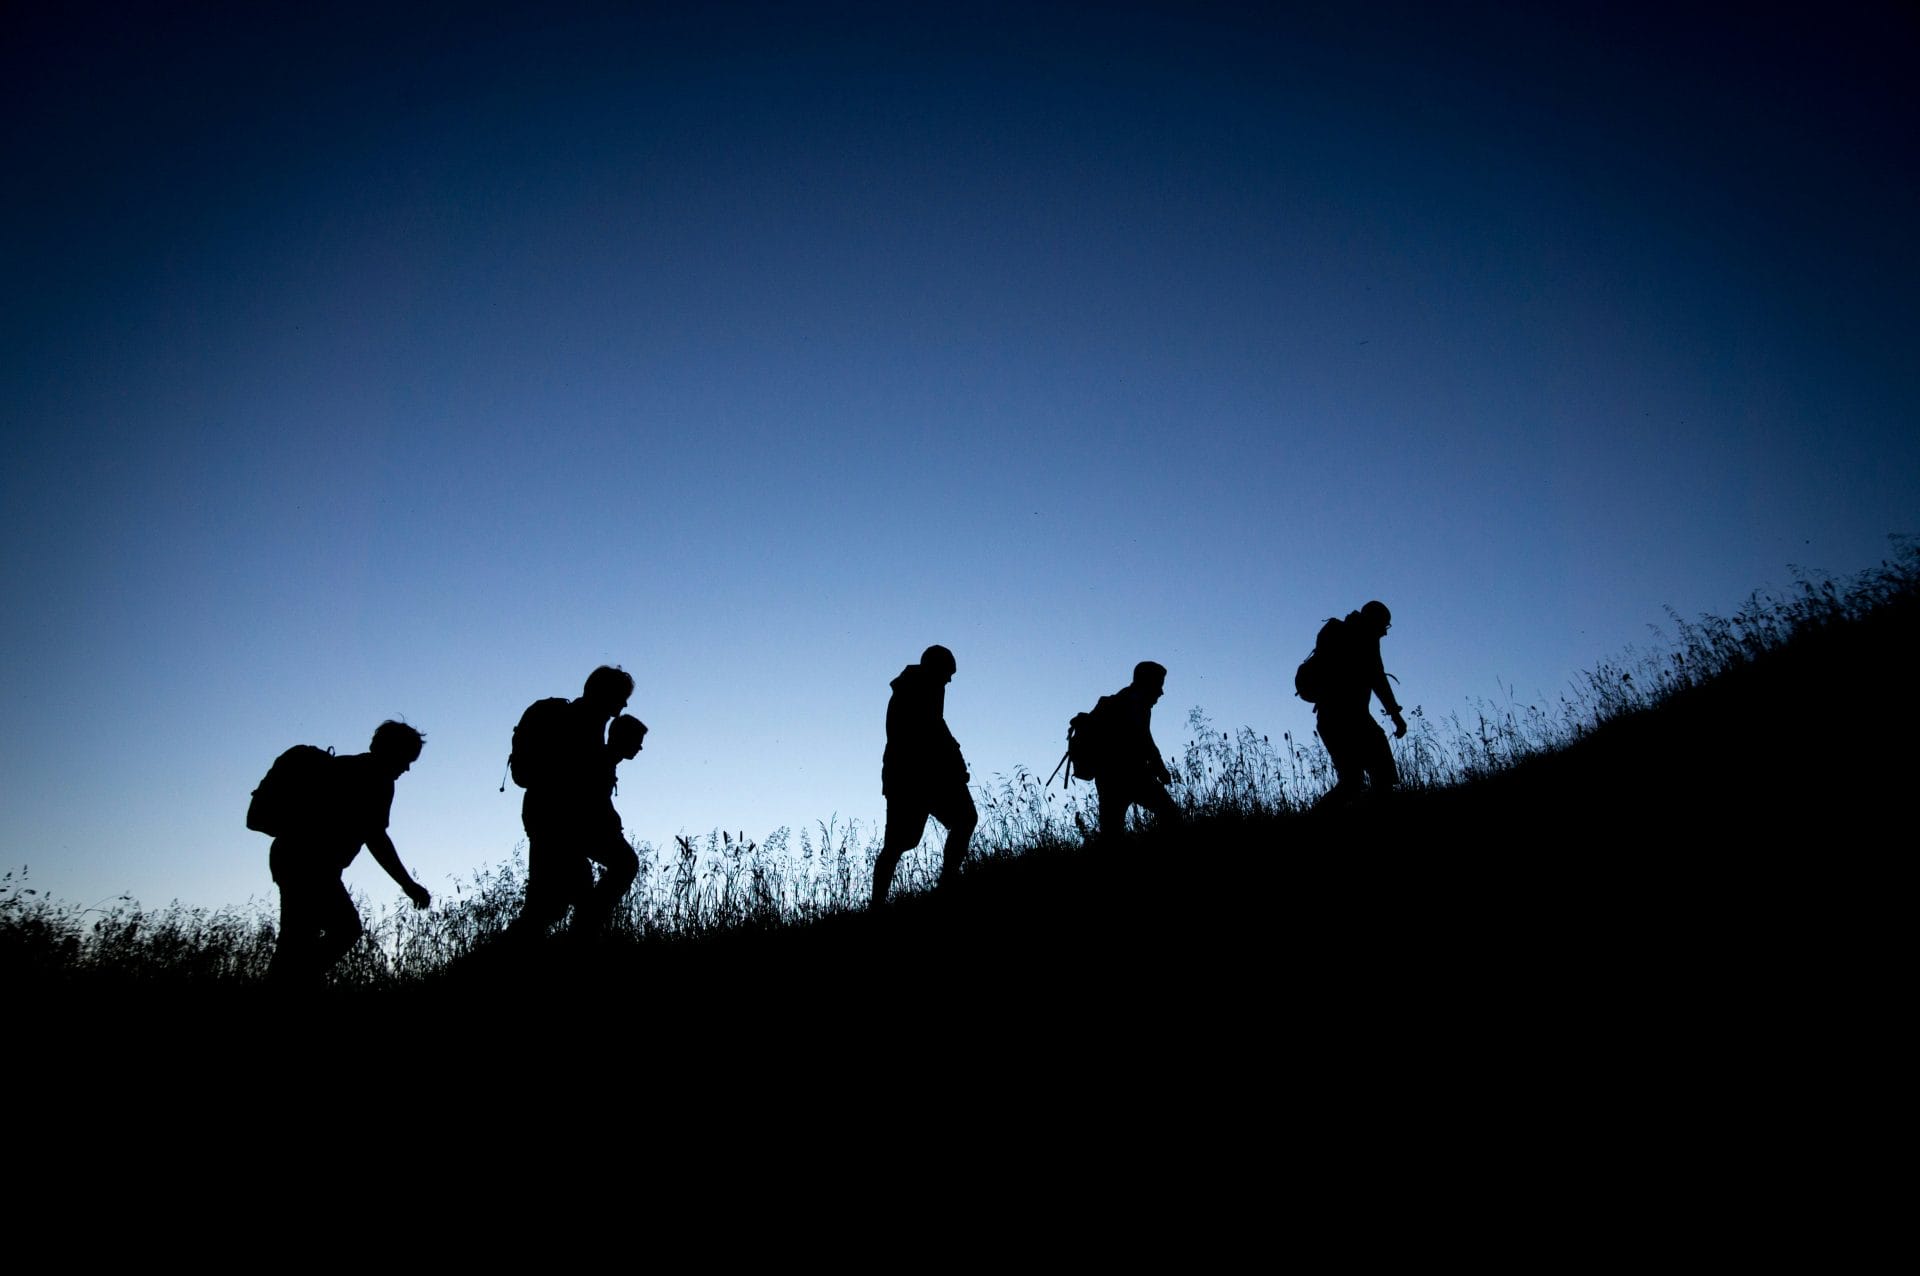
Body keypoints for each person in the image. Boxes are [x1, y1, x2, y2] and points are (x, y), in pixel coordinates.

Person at [267, 720, 430, 986]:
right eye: (407, 758)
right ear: (392, 751)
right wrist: (408, 885)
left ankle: (290, 980)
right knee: (343, 930)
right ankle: (295, 981)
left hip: (291, 855)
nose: (407, 767)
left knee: (296, 938)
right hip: (311, 864)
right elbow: (376, 838)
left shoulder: (345, 765)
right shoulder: (377, 778)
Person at [509, 665, 640, 939]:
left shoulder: (589, 721)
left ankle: (578, 938)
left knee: (551, 903)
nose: (623, 704)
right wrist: (613, 755)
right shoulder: (582, 722)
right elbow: (580, 785)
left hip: (548, 817)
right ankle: (577, 940)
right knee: (550, 904)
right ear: (604, 693)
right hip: (557, 822)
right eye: (621, 697)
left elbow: (587, 784)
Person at [873, 644, 976, 907]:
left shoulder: (923, 687)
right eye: (947, 673)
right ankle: (878, 903)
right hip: (912, 778)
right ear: (935, 667)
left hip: (921, 777)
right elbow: (930, 732)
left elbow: (937, 729)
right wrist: (954, 762)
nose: (950, 680)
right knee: (899, 843)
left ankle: (946, 883)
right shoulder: (915, 690)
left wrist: (954, 761)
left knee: (964, 819)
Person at [1312, 600, 1407, 805]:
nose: (1385, 632)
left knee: (1352, 784)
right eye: (1384, 625)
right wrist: (1396, 716)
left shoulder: (1336, 632)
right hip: (1351, 719)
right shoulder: (1365, 638)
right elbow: (1378, 679)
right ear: (1374, 621)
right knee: (1377, 778)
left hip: (1330, 719)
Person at [1093, 661, 1179, 838]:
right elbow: (1144, 740)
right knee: (1171, 815)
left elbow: (1144, 740)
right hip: (1131, 775)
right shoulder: (1134, 704)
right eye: (1159, 685)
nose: (1161, 692)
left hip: (1108, 778)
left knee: (1111, 834)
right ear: (1147, 682)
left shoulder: (1125, 701)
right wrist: (1160, 769)